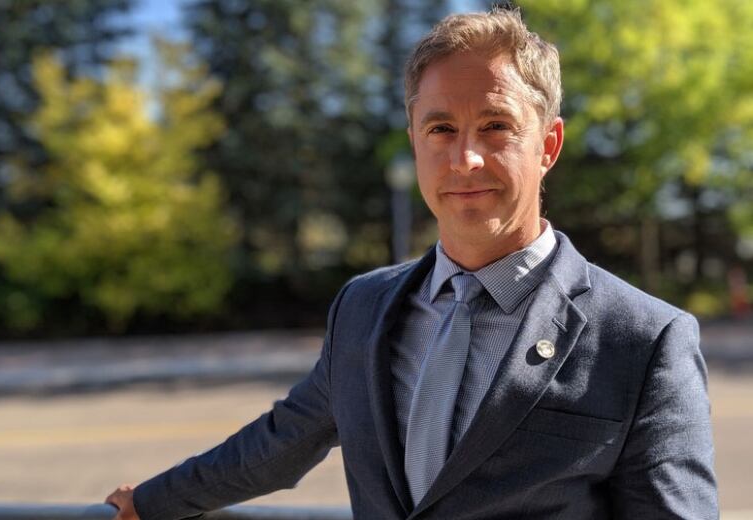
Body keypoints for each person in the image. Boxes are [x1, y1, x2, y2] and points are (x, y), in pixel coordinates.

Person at [106, 8, 717, 519]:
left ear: (549, 145)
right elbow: (283, 443)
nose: (465, 158)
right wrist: (149, 504)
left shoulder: (645, 338)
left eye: (496, 126)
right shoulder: (365, 306)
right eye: (441, 128)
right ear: (414, 141)